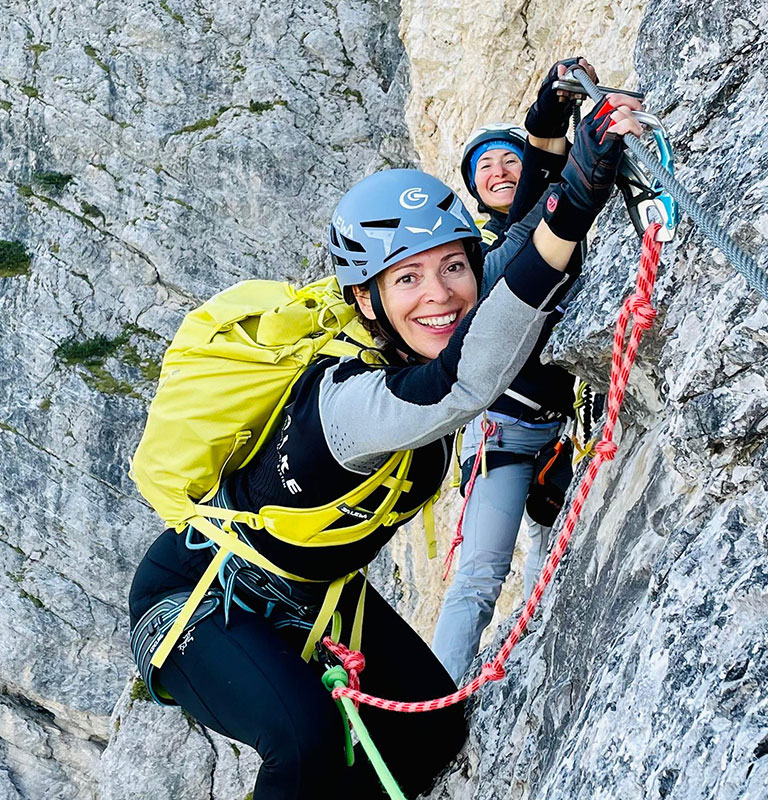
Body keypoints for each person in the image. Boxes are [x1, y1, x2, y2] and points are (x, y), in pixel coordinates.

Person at [125, 93, 645, 798]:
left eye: (452, 267)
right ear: (367, 300)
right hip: (198, 599)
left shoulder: (414, 329)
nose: (440, 295)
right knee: (302, 744)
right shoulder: (343, 405)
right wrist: (574, 207)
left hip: (316, 595)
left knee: (434, 731)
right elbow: (461, 385)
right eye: (407, 278)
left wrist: (554, 143)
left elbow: (515, 250)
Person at [432, 57, 628, 683]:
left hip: (565, 427)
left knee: (556, 559)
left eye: (506, 158)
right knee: (482, 576)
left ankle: (539, 650)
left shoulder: (556, 235)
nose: (496, 170)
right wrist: (552, 144)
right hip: (505, 435)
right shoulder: (479, 255)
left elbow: (544, 197)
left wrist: (549, 119)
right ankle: (439, 698)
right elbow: (530, 231)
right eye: (482, 166)